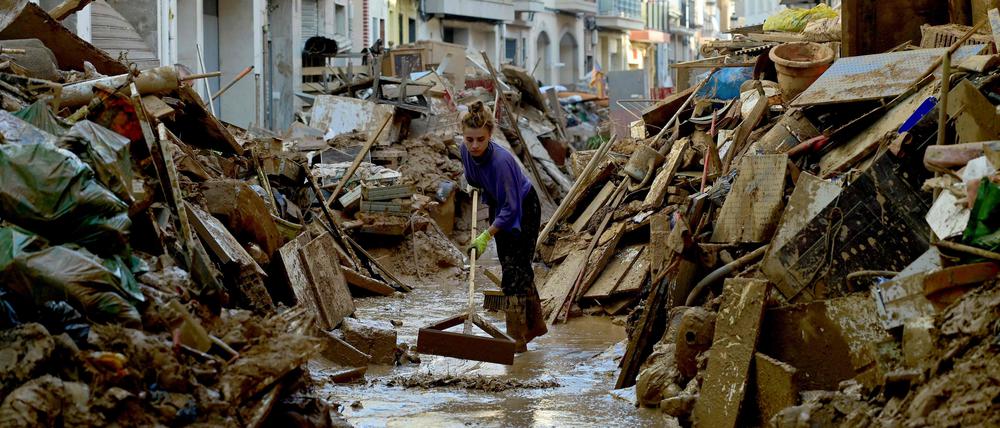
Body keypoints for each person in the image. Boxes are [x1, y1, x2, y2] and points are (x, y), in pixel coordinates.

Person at [460, 101, 547, 352]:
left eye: (480, 139)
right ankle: (536, 325)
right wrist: (473, 183)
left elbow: (511, 209)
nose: (474, 145)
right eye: (470, 139)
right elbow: (471, 174)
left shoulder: (501, 161)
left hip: (524, 207)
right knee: (514, 266)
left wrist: (487, 235)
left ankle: (516, 340)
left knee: (513, 274)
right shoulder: (465, 150)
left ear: (490, 135)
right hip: (500, 203)